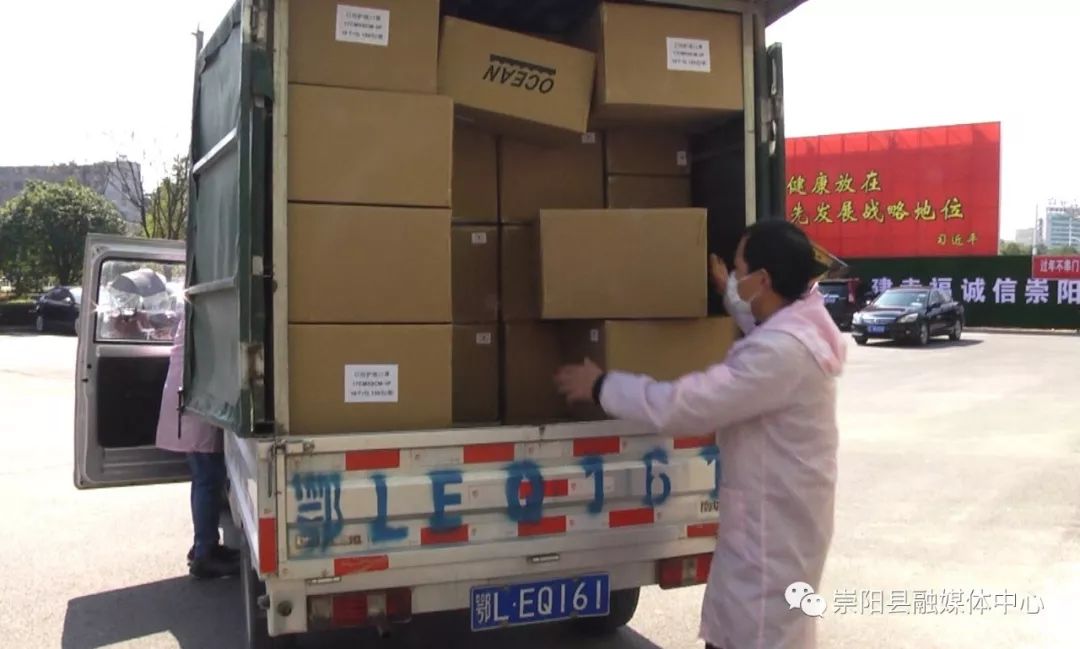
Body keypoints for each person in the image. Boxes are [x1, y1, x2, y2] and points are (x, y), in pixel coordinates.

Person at [555, 220, 846, 649]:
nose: (736, 276)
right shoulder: (801, 325)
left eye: (740, 270)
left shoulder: (780, 354)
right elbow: (763, 323)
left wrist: (602, 386)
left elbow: (686, 405)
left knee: (753, 633)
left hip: (770, 542)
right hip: (777, 523)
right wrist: (730, 293)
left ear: (764, 280)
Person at [156, 314, 241, 579]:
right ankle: (205, 553)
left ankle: (204, 545)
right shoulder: (203, 309)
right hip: (194, 398)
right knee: (207, 477)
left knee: (204, 476)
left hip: (192, 395)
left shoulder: (196, 307)